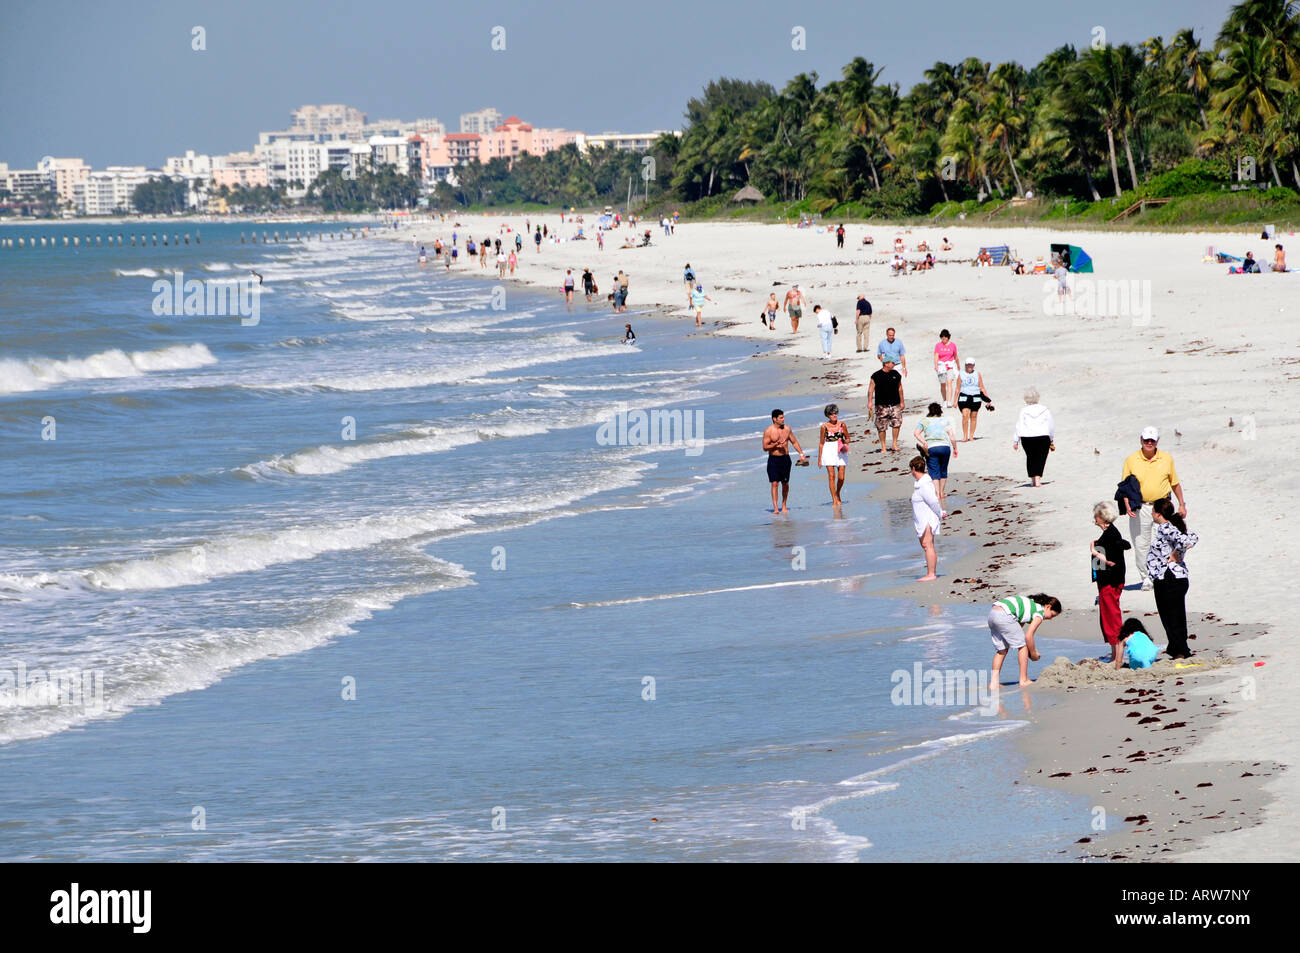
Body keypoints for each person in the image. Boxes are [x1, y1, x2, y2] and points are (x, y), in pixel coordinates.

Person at [1121, 426, 1186, 590]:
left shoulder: (1167, 459)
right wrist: (1127, 505)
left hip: (1162, 506)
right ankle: (1146, 577)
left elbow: (1175, 483)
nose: (1149, 443)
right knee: (1141, 543)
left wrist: (1182, 504)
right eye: (1146, 440)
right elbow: (1125, 486)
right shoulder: (1131, 459)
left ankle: (1162, 572)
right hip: (1140, 507)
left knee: (1164, 540)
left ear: (1157, 441)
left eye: (1152, 440)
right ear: (1140, 440)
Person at [1148, 498, 1199, 659]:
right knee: (1173, 615)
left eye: (1152, 511)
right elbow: (1191, 537)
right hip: (1170, 577)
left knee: (1172, 616)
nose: (1151, 514)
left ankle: (1180, 650)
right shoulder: (1171, 526)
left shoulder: (1165, 527)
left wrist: (1177, 552)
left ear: (1157, 513)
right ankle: (1176, 648)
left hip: (1169, 577)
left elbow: (1188, 539)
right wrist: (1179, 549)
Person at [1090, 501, 1132, 669]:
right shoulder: (1109, 533)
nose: (1094, 518)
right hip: (1107, 581)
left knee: (1111, 617)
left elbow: (1111, 562)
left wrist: (1094, 551)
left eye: (1096, 515)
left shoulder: (1111, 534)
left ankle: (1117, 656)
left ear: (1102, 517)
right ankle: (1115, 654)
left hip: (1111, 582)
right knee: (1107, 617)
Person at [986, 594, 1060, 689]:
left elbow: (1017, 629)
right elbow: (1028, 636)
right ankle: (1023, 679)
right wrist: (1033, 654)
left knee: (1002, 650)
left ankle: (994, 683)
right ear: (1048, 607)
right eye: (1052, 615)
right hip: (1006, 614)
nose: (1050, 618)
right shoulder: (1039, 612)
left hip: (993, 614)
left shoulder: (1029, 607)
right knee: (1023, 646)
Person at [913, 402, 958, 510]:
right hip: (945, 447)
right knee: (943, 469)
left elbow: (916, 433)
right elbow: (951, 436)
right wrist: (955, 448)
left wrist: (924, 442)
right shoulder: (944, 420)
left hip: (932, 447)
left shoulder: (924, 421)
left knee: (934, 470)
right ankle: (942, 493)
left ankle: (937, 494)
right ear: (940, 411)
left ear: (929, 410)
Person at [763, 409, 809, 514]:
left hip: (785, 459)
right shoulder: (769, 431)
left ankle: (784, 505)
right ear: (774, 419)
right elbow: (765, 447)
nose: (783, 419)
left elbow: (794, 442)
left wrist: (801, 454)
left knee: (785, 484)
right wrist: (775, 445)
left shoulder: (787, 429)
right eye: (781, 418)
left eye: (783, 417)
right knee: (774, 483)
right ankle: (775, 508)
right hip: (773, 459)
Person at [1012, 387, 1054, 487]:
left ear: (1026, 399)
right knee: (1041, 457)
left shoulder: (1024, 410)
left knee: (1030, 457)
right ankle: (1038, 480)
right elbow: (1051, 425)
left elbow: (1019, 425)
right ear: (1037, 398)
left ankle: (1033, 480)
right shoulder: (1045, 409)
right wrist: (1051, 438)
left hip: (1027, 437)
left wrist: (1015, 440)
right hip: (1043, 436)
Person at [909, 455, 942, 581]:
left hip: (927, 519)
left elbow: (933, 501)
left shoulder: (924, 484)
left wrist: (939, 513)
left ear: (913, 468)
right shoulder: (919, 484)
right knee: (925, 544)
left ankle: (931, 574)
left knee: (928, 545)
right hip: (922, 518)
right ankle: (930, 572)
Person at [868, 358, 905, 452]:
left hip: (895, 404)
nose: (894, 365)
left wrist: (902, 402)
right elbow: (871, 390)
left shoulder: (896, 374)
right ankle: (883, 447)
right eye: (892, 363)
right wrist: (870, 402)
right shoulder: (876, 375)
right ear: (886, 363)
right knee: (881, 426)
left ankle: (894, 444)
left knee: (897, 423)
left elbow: (900, 388)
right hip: (881, 405)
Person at [818, 404, 849, 507]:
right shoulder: (824, 427)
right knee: (831, 476)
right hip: (828, 449)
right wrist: (819, 459)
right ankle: (834, 500)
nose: (834, 415)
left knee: (841, 478)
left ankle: (838, 493)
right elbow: (821, 443)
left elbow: (848, 438)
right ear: (828, 415)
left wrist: (845, 443)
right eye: (831, 414)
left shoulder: (842, 425)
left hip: (840, 449)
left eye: (835, 413)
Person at [956, 357, 991, 441]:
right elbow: (957, 388)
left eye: (971, 364)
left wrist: (988, 399)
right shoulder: (961, 374)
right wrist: (954, 401)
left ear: (974, 365)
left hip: (976, 397)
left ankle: (971, 436)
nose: (969, 366)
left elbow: (982, 387)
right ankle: (965, 436)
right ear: (965, 365)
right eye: (968, 364)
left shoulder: (977, 374)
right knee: (965, 415)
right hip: (964, 397)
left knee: (974, 416)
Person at [933, 330, 959, 407]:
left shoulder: (953, 345)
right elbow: (936, 356)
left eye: (945, 337)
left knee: (949, 382)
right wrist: (936, 366)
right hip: (941, 366)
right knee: (943, 384)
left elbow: (955, 356)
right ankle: (944, 400)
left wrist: (958, 365)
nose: (944, 339)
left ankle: (949, 401)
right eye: (942, 338)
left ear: (948, 337)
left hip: (950, 365)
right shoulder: (938, 345)